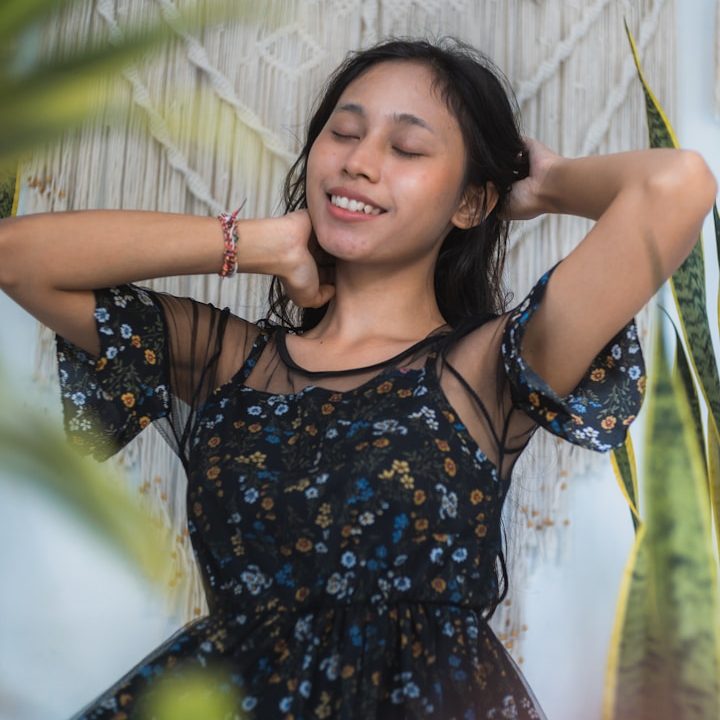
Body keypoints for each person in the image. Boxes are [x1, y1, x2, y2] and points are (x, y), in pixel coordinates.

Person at [0, 36, 715, 720]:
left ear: (470, 203)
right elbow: (17, 257)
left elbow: (678, 185)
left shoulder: (487, 368)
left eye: (406, 148)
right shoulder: (229, 360)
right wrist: (257, 244)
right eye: (343, 134)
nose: (360, 162)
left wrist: (547, 183)